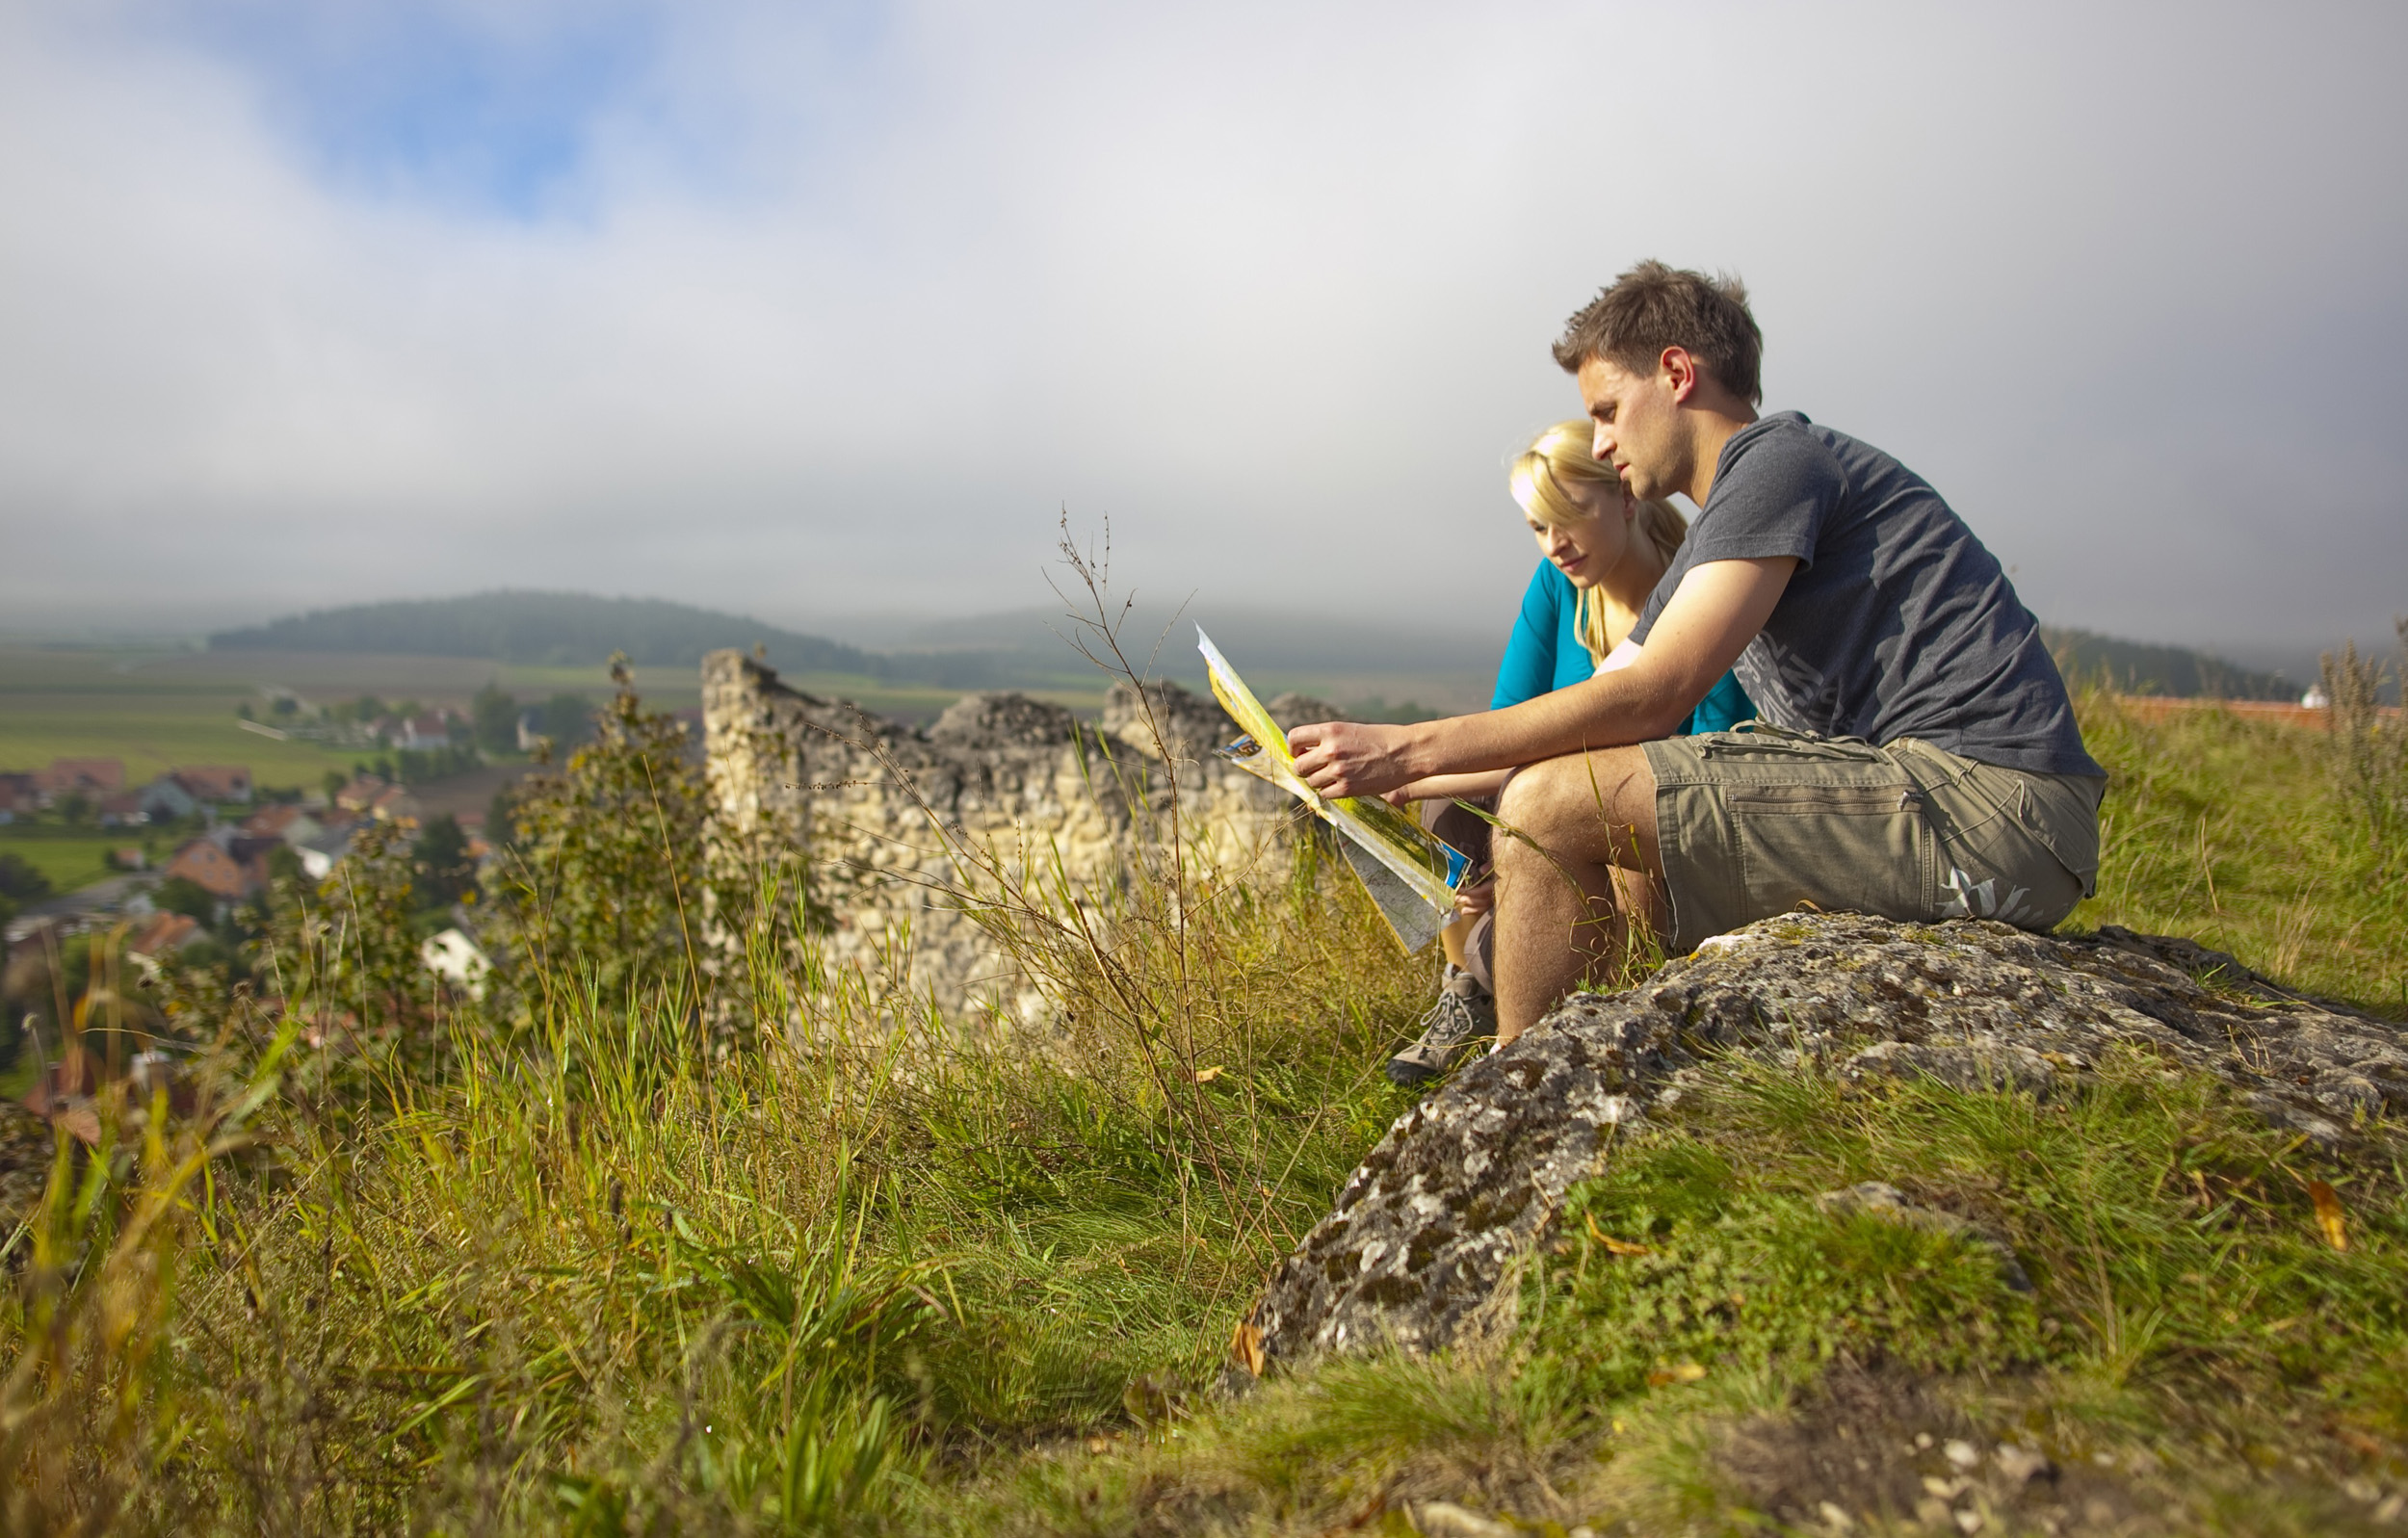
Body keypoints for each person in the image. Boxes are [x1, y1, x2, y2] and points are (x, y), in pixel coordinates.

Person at [1292, 261, 2106, 1052]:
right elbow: (1609, 694)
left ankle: (1523, 1091)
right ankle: (1591, 1054)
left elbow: (1652, 695)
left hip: (1995, 808)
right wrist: (1400, 780)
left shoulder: (1775, 460)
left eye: (1609, 409)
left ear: (1677, 372)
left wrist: (1403, 743)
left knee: (1550, 804)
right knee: (1606, 805)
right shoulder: (1725, 520)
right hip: (1943, 793)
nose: (1602, 442)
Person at [1381, 420, 1752, 1085]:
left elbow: (1707, 755)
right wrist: (1427, 781)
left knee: (1591, 866)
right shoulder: (1558, 586)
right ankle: (1471, 974)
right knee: (1441, 790)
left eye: (1570, 516)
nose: (1554, 544)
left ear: (1628, 497)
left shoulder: (1698, 592)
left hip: (1645, 838)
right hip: (1545, 820)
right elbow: (1510, 722)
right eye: (1536, 526)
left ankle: (1513, 972)